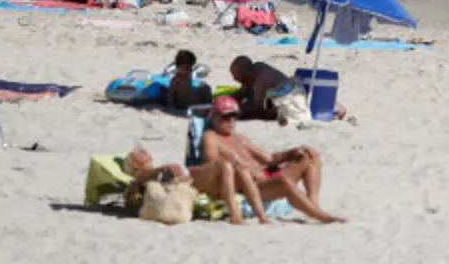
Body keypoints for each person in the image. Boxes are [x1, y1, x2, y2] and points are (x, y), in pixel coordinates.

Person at [201, 96, 345, 223]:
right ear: (213, 116)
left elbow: (269, 158)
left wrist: (293, 152)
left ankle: (314, 205)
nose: (231, 121)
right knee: (283, 181)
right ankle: (319, 216)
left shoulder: (240, 139)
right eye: (226, 117)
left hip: (267, 177)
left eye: (234, 116)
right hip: (250, 187)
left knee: (310, 156)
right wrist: (241, 166)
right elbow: (214, 166)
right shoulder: (211, 137)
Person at [125, 147, 260, 225]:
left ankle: (258, 214)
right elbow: (140, 177)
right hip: (192, 184)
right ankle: (236, 215)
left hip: (189, 177)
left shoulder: (153, 174)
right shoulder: (141, 178)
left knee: (227, 166)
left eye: (145, 155)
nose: (145, 155)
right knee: (222, 164)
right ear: (135, 165)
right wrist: (164, 169)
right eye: (140, 157)